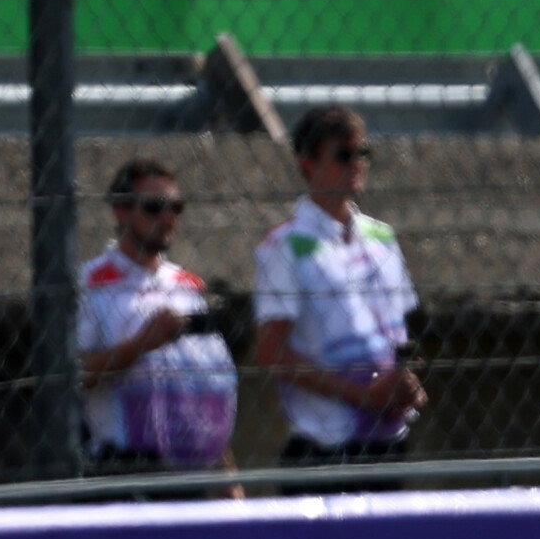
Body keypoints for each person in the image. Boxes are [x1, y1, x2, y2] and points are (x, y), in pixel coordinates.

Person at [252, 105, 424, 466]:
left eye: (363, 152)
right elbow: (270, 351)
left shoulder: (382, 237)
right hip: (326, 446)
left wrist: (406, 381)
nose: (356, 162)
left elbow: (402, 333)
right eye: (344, 154)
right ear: (308, 165)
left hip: (389, 438)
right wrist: (361, 395)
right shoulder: (286, 245)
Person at [78, 157, 240, 475]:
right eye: (154, 207)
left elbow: (209, 388)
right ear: (121, 212)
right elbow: (71, 375)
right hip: (122, 466)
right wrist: (140, 345)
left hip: (187, 466)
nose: (168, 217)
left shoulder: (187, 285)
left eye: (175, 207)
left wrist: (228, 479)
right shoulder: (91, 283)